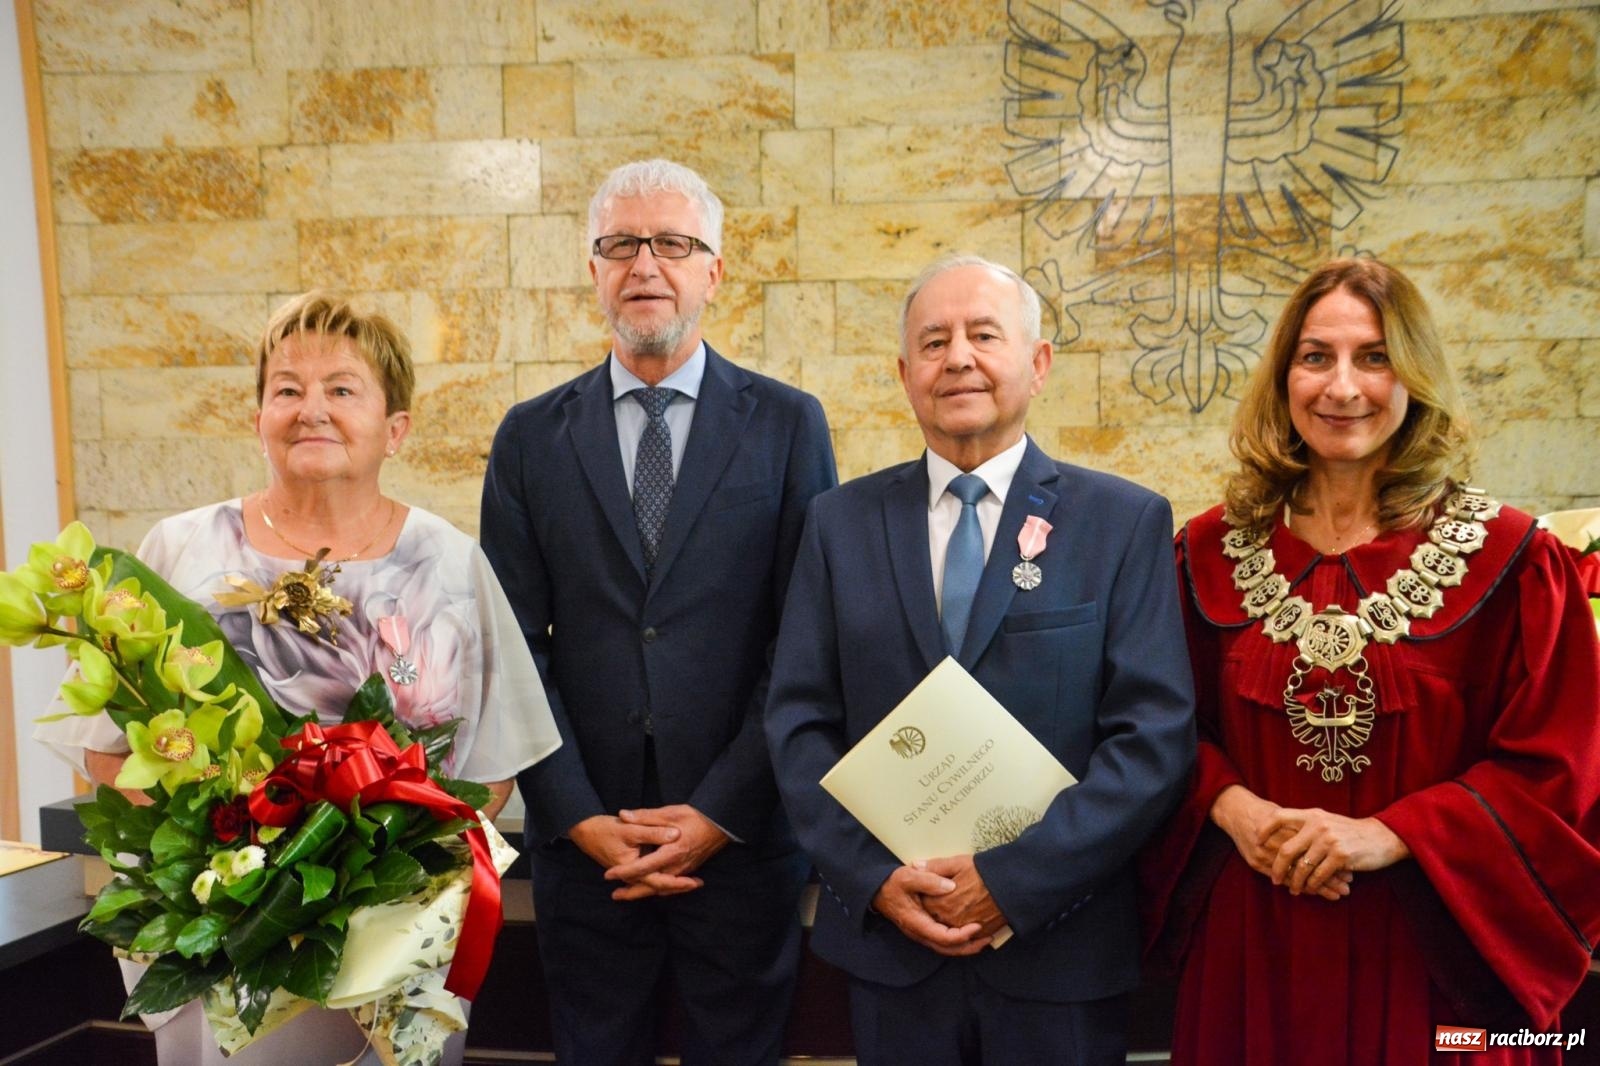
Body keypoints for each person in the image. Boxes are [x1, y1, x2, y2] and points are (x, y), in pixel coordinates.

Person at [36, 291, 562, 1065]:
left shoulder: (449, 564)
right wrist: (211, 869)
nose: (310, 408)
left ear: (396, 429)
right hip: (223, 948)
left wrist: (383, 881)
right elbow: (108, 751)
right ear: (258, 420)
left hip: (395, 950)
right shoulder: (181, 549)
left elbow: (489, 773)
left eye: (341, 389)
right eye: (287, 389)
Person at [1140, 257, 1600, 1065]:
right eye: (1316, 357)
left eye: (1375, 356)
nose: (1342, 387)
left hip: (1434, 949)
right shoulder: (1204, 554)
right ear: (1284, 378)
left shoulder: (1514, 560)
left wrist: (1392, 834)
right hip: (1252, 937)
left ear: (1414, 375)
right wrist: (1232, 806)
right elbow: (1152, 730)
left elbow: (1563, 771)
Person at [764, 253, 1196, 1065]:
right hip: (895, 954)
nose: (957, 356)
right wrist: (875, 878)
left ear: (1037, 364)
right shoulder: (839, 525)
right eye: (934, 341)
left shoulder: (1121, 522)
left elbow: (1153, 738)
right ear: (904, 373)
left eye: (983, 335)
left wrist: (1011, 882)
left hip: (1058, 953)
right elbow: (797, 723)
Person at [478, 158, 837, 1066]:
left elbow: (805, 644)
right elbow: (511, 650)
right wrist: (577, 817)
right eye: (621, 245)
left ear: (714, 270)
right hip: (584, 845)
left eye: (673, 243)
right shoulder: (529, 437)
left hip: (741, 839)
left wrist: (718, 811)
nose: (646, 265)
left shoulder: (789, 426)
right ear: (592, 269)